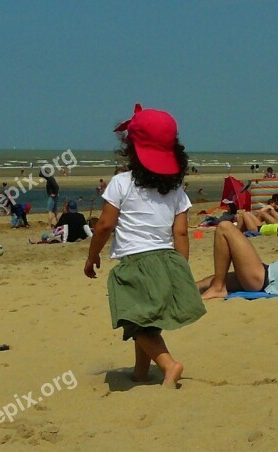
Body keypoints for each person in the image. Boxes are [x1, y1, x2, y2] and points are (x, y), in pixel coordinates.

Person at [84, 104, 206, 388]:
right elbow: (182, 234)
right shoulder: (176, 190)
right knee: (147, 321)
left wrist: (92, 257)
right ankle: (141, 373)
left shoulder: (121, 183)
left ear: (131, 149)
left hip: (135, 264)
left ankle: (168, 364)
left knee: (134, 321)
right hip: (167, 261)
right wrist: (180, 269)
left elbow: (104, 226)